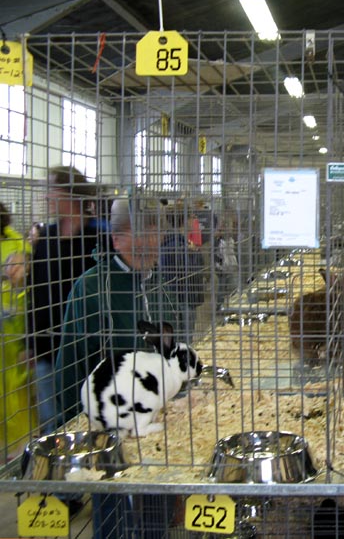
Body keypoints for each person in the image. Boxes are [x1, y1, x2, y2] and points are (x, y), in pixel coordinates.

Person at [55, 195, 178, 538]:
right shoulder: (92, 288)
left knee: (157, 510)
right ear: (116, 239)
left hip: (159, 427)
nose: (150, 252)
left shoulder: (158, 282)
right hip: (110, 427)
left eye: (155, 241)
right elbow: (72, 363)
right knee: (112, 516)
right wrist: (69, 431)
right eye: (141, 244)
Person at [27, 166, 105, 435]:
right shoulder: (45, 238)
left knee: (94, 416)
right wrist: (31, 343)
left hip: (88, 347)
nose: (46, 196)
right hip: (49, 348)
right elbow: (34, 292)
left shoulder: (96, 238)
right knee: (53, 424)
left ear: (69, 194)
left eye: (51, 189)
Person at [0, 203, 34, 461]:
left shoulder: (17, 244)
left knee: (16, 391)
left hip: (14, 329)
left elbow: (27, 283)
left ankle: (18, 450)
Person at [159, 206, 206, 343]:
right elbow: (190, 272)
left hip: (179, 298)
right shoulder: (178, 246)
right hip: (183, 300)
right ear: (184, 221)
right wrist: (195, 254)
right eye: (192, 217)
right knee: (184, 341)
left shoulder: (176, 243)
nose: (194, 220)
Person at [213, 222, 238, 309]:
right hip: (221, 268)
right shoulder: (217, 241)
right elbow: (215, 255)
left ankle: (232, 305)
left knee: (231, 286)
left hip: (231, 266)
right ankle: (219, 306)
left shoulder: (231, 240)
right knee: (221, 287)